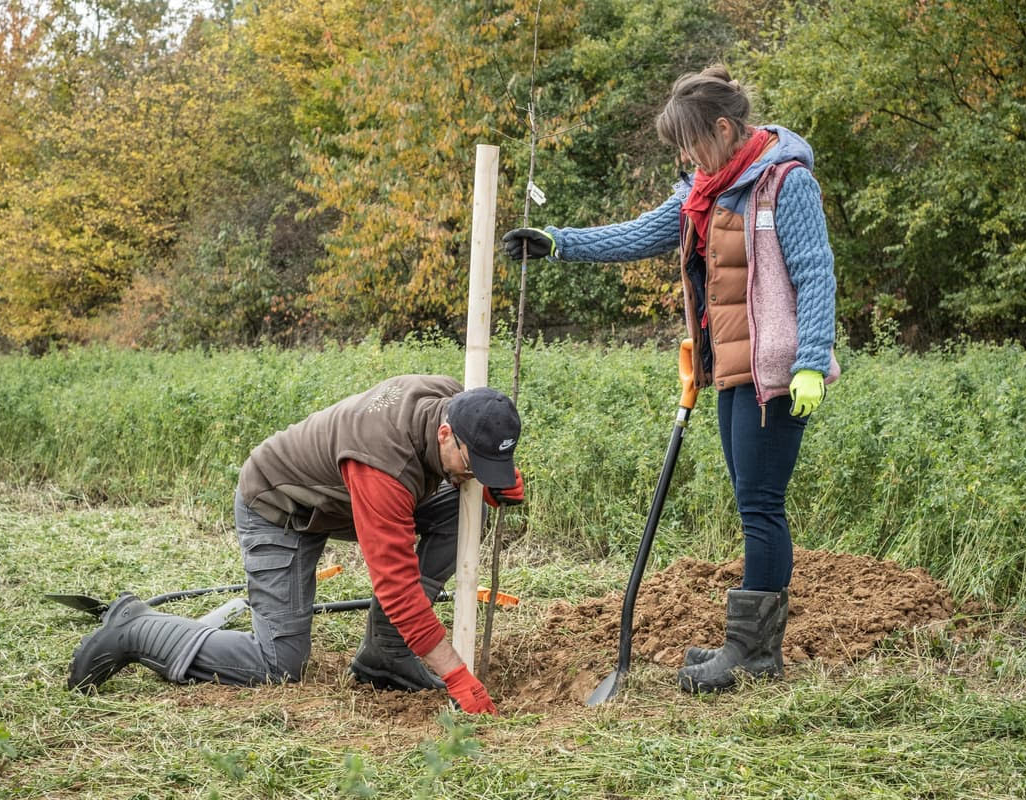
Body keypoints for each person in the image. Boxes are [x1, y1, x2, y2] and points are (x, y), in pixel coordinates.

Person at [503, 65, 837, 694]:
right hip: (730, 369)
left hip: (778, 373)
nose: (685, 155)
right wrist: (559, 242)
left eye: (691, 140)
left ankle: (754, 655)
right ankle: (748, 643)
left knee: (761, 508)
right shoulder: (704, 189)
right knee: (750, 501)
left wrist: (812, 362)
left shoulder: (784, 183)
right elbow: (641, 234)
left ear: (723, 126)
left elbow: (816, 274)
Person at [68, 376, 525, 715]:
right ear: (446, 434)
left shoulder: (452, 401)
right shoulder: (383, 463)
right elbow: (397, 588)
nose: (475, 473)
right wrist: (454, 673)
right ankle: (136, 628)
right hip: (279, 506)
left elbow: (466, 464)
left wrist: (489, 480)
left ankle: (386, 657)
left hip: (338, 498)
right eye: (473, 463)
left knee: (462, 509)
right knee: (278, 663)